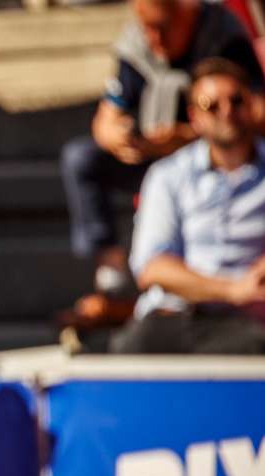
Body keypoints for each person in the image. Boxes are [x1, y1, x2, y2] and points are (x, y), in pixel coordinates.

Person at [59, 0, 264, 330]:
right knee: (81, 158)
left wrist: (189, 135)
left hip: (220, 159)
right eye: (147, 27)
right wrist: (118, 136)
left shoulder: (225, 38)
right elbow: (106, 115)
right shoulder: (136, 44)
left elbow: (254, 110)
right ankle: (112, 274)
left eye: (162, 27)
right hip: (156, 162)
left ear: (187, 13)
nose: (154, 38)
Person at [111, 57, 265, 353]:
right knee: (130, 350)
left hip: (247, 322)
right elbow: (153, 268)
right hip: (174, 316)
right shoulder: (168, 176)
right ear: (194, 117)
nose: (227, 112)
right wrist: (232, 290)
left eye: (236, 101)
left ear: (252, 105)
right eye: (212, 105)